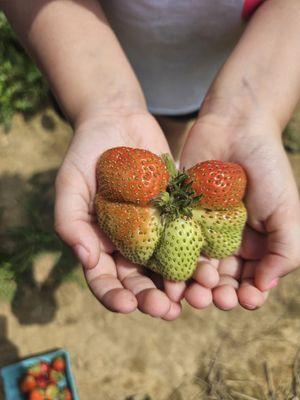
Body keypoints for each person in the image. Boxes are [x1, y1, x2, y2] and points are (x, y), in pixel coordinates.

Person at [2, 0, 300, 321]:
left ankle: (170, 142)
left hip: (226, 65)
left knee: (172, 126)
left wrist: (251, 110)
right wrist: (102, 104)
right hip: (86, 55)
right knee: (156, 144)